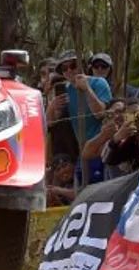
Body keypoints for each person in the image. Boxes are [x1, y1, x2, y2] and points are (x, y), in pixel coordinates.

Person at [48, 50, 112, 185]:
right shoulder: (66, 89)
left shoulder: (99, 83)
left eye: (73, 66)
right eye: (65, 69)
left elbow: (99, 113)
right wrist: (53, 106)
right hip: (82, 153)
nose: (69, 70)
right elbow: (51, 123)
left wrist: (87, 89)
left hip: (101, 149)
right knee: (81, 191)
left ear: (82, 65)